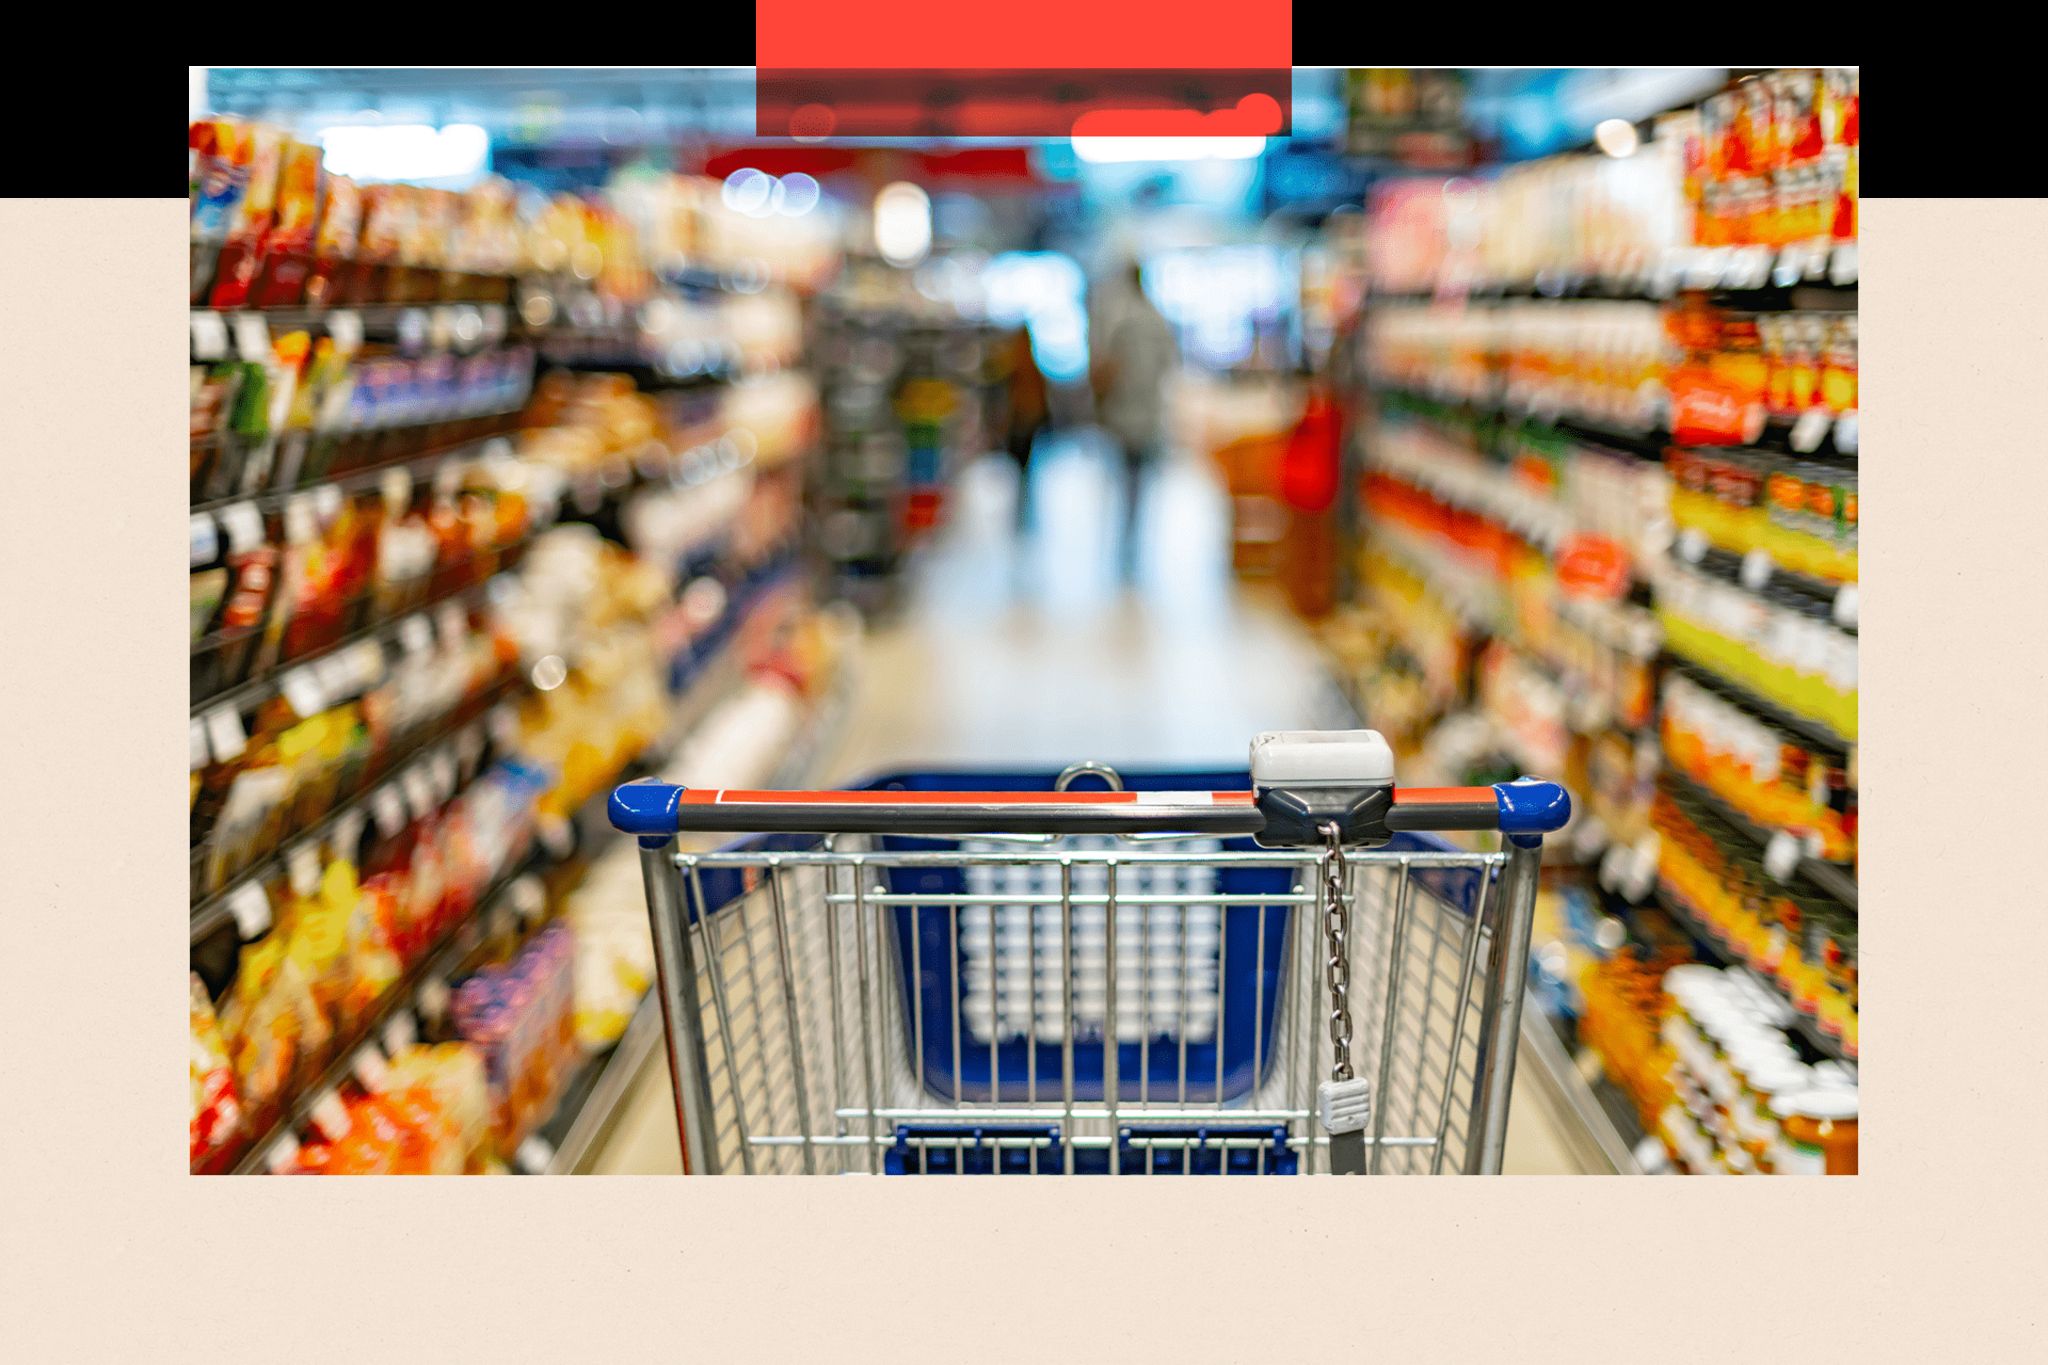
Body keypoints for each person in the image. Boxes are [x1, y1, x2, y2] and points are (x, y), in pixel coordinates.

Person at [1088, 260, 1178, 578]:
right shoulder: (1157, 319)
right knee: (1139, 480)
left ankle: (1125, 536)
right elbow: (1170, 364)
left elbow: (1104, 366)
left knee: (1124, 477)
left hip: (1122, 414)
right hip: (1147, 413)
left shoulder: (1119, 319)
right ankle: (1134, 535)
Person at [998, 324, 1049, 533]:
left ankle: (1022, 510)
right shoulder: (1018, 366)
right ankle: (1022, 509)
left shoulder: (1022, 366)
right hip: (1024, 421)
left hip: (1026, 422)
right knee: (1022, 469)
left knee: (1024, 468)